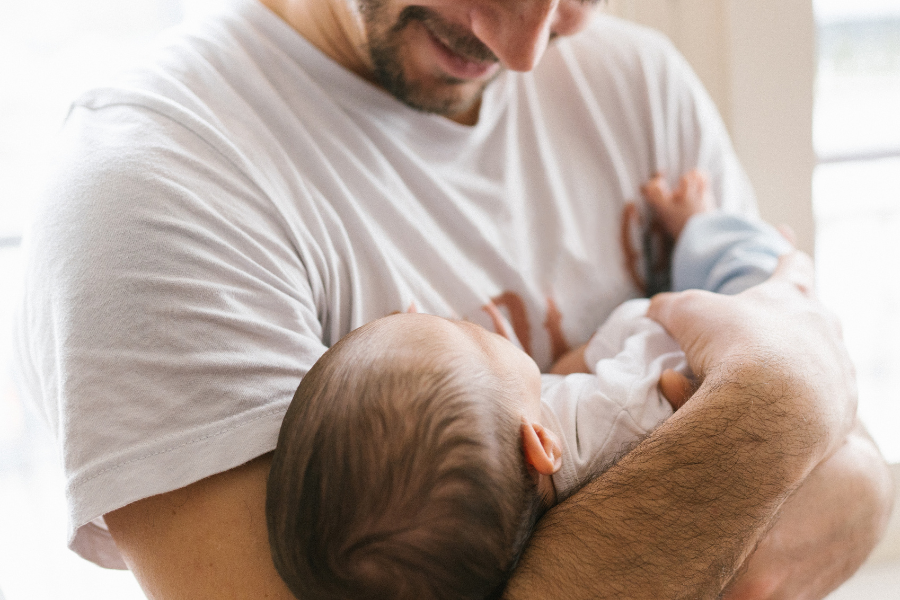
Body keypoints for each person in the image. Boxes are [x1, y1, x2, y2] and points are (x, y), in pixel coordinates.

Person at [12, 0, 892, 597]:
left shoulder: (635, 82)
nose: (525, 51)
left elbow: (861, 482)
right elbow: (807, 384)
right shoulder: (154, 186)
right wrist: (783, 401)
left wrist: (734, 509)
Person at [265, 169, 792, 599]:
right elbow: (675, 340)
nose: (466, 321)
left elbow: (561, 385)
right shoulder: (628, 412)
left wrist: (573, 364)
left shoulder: (505, 509)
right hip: (738, 337)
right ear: (539, 443)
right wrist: (706, 262)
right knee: (745, 277)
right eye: (470, 337)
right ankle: (713, 229)